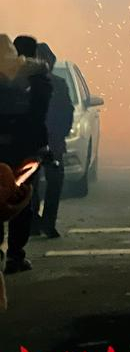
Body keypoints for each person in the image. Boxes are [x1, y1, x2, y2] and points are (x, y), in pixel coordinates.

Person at [0, 35, 52, 272]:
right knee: (21, 199)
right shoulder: (37, 77)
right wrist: (43, 148)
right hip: (24, 151)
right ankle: (15, 255)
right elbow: (40, 118)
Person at [32, 43, 74, 239]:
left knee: (53, 183)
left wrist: (59, 136)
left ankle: (47, 222)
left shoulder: (58, 84)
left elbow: (67, 113)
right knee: (30, 185)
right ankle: (33, 222)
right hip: (32, 143)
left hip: (52, 142)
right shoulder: (25, 84)